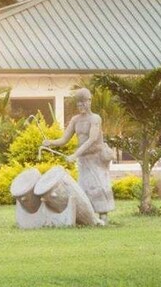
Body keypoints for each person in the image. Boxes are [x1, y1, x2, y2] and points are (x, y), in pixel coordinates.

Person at [42, 88, 115, 224]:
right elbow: (64, 139)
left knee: (99, 184)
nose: (81, 105)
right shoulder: (75, 120)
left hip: (95, 157)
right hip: (83, 159)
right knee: (84, 186)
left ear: (89, 101)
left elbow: (92, 139)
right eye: (78, 103)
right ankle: (87, 215)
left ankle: (103, 214)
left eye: (83, 102)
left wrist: (74, 155)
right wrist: (50, 142)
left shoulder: (95, 119)